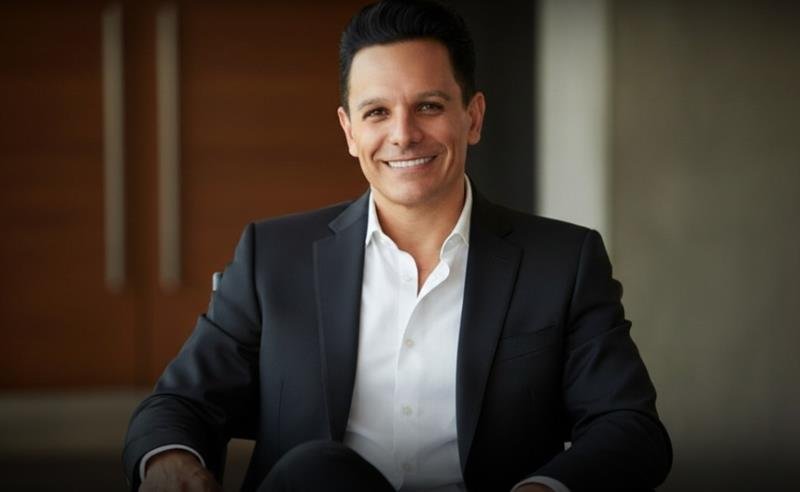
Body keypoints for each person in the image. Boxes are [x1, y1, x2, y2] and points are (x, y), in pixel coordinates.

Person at [123, 1, 672, 491]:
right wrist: (169, 458)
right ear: (349, 131)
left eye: (428, 106)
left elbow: (629, 426)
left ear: (473, 117)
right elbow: (180, 402)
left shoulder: (563, 262)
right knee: (316, 471)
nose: (404, 134)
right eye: (377, 112)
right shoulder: (273, 257)